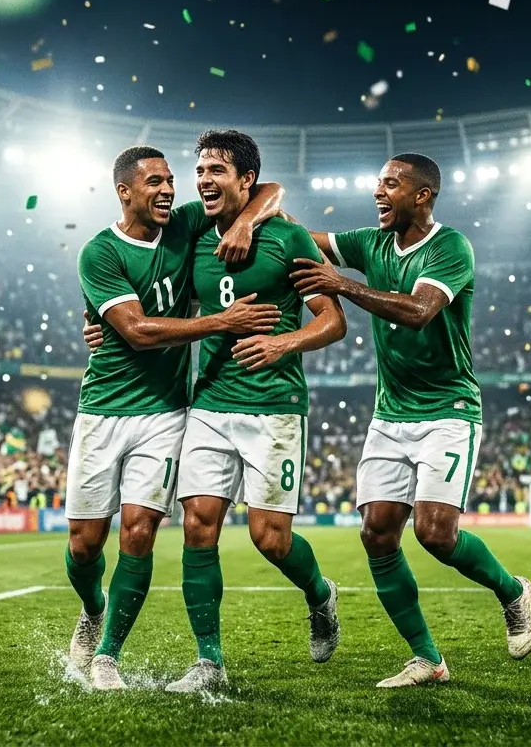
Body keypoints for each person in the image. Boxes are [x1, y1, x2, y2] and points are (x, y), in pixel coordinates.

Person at [288, 152, 531, 687]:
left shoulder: (450, 248)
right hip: (390, 413)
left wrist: (343, 286)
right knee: (377, 533)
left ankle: (513, 592)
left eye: (392, 185)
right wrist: (249, 211)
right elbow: (299, 236)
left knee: (435, 533)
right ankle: (428, 658)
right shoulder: (369, 242)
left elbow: (419, 310)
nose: (379, 193)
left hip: (447, 411)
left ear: (422, 196)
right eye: (378, 183)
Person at [64, 144, 284, 691]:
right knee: (85, 545)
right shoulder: (99, 253)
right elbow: (136, 331)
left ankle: (107, 657)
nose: (168, 191)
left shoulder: (186, 223)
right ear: (125, 191)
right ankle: (93, 609)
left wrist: (247, 222)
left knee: (139, 532)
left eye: (170, 182)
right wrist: (221, 321)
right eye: (155, 183)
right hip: (102, 410)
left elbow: (270, 191)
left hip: (165, 414)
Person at [164, 130, 346, 693]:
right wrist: (94, 318)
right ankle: (209, 661)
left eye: (217, 170)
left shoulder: (288, 236)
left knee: (270, 539)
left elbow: (332, 319)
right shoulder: (193, 228)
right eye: (199, 171)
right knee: (197, 527)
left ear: (247, 181)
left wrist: (281, 344)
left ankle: (320, 594)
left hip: (274, 406)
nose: (203, 180)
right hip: (210, 404)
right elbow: (143, 268)